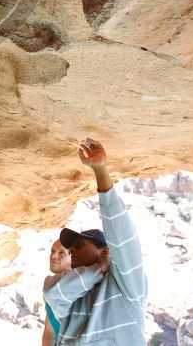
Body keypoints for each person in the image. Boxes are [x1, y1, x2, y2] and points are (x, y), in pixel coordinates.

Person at [43, 138, 147, 344]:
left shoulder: (126, 287)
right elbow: (53, 294)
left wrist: (100, 171)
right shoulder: (75, 294)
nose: (72, 252)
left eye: (80, 245)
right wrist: (98, 269)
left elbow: (121, 235)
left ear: (105, 251)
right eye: (70, 250)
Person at [42, 240, 71, 346]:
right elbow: (50, 331)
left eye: (61, 253)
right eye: (52, 251)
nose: (53, 256)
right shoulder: (51, 286)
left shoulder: (83, 289)